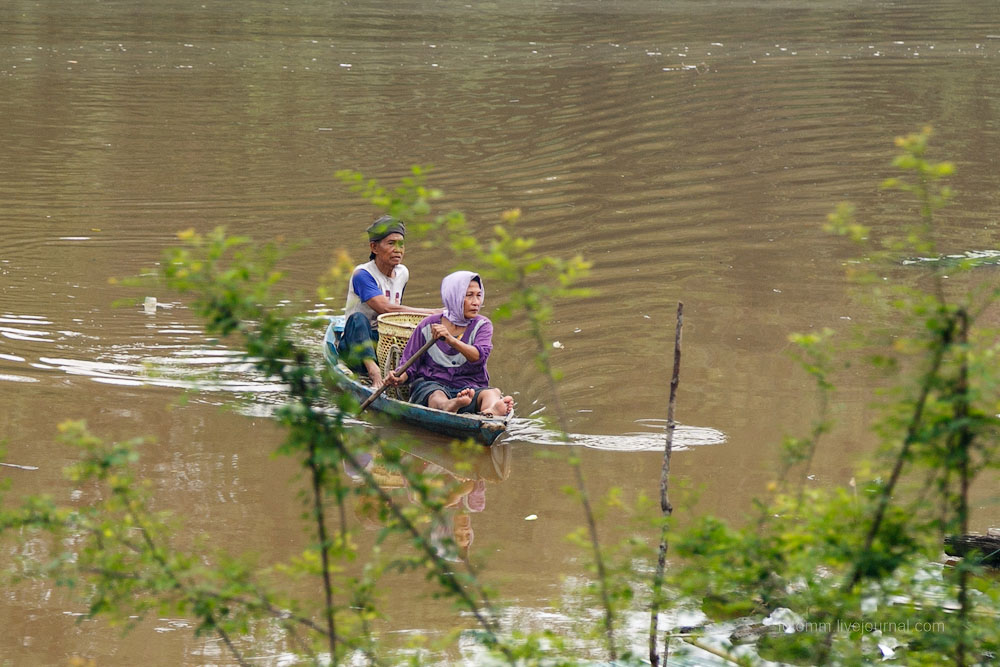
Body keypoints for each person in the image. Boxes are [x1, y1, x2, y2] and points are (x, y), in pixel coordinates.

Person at [384, 270, 514, 417]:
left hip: (470, 388)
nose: (476, 302)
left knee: (491, 393)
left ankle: (491, 410)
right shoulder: (428, 325)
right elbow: (409, 365)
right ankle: (448, 406)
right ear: (454, 296)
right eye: (469, 295)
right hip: (432, 384)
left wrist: (451, 340)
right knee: (436, 395)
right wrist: (398, 377)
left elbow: (479, 356)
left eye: (478, 295)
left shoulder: (482, 325)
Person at [338, 215, 440, 388]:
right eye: (391, 243)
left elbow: (398, 312)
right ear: (374, 247)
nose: (398, 249)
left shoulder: (403, 273)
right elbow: (385, 308)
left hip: (384, 342)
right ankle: (373, 371)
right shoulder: (362, 274)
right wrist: (430, 313)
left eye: (401, 244)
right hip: (357, 343)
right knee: (358, 319)